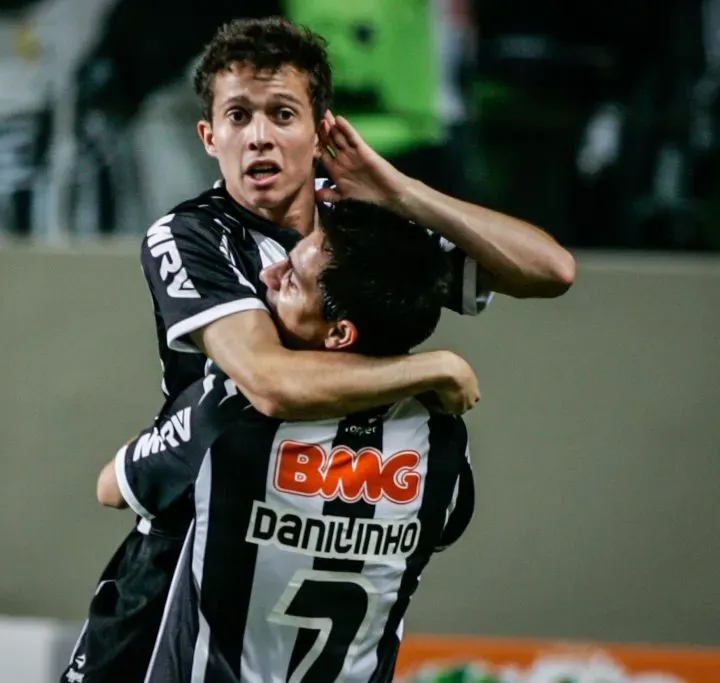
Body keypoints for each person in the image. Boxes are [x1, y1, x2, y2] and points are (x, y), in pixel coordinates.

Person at [61, 17, 574, 683]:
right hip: (194, 535)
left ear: (321, 128)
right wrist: (430, 367)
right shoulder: (193, 235)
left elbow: (551, 271)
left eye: (282, 113)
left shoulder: (364, 234)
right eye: (238, 116)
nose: (260, 137)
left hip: (323, 513)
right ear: (208, 136)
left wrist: (399, 189)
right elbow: (267, 382)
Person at [99, 199, 475, 683]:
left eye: (292, 280)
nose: (269, 276)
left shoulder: (233, 409)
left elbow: (112, 486)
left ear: (339, 333)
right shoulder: (442, 438)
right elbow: (447, 527)